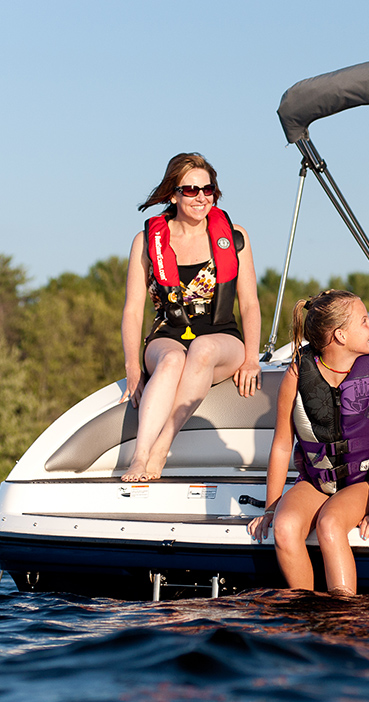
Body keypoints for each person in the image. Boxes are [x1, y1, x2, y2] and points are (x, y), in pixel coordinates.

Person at [121, 152, 262, 482]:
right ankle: (140, 457)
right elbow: (132, 308)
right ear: (173, 194)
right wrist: (132, 367)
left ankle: (162, 447)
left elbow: (250, 303)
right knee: (171, 362)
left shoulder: (235, 235)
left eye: (208, 189)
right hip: (166, 335)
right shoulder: (146, 241)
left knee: (202, 349)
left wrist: (252, 359)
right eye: (190, 190)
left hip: (220, 337)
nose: (201, 197)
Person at [247, 290, 369, 595]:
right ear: (340, 335)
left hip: (360, 482)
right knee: (285, 529)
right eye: (365, 321)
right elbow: (282, 445)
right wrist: (272, 509)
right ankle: (307, 614)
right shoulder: (298, 373)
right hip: (315, 481)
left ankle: (342, 616)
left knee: (329, 525)